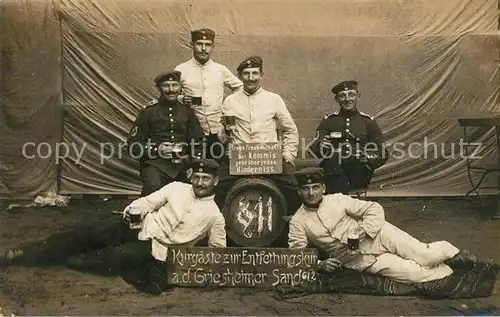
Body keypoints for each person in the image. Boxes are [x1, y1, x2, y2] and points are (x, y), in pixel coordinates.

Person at [0, 159, 226, 295]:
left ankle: (61, 258)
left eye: (206, 179)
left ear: (215, 181)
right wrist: (132, 211)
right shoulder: (176, 187)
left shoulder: (215, 216)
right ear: (191, 176)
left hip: (155, 249)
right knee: (85, 234)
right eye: (197, 177)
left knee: (106, 259)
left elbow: (218, 251)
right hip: (138, 226)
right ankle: (21, 253)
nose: (200, 183)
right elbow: (148, 201)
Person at [288, 167, 478, 284]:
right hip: (359, 260)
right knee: (414, 274)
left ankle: (449, 252)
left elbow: (374, 209)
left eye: (315, 187)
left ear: (323, 188)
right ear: (299, 191)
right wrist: (321, 264)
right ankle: (451, 270)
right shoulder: (299, 221)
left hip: (380, 234)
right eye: (305, 188)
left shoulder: (337, 200)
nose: (311, 193)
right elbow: (297, 255)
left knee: (425, 255)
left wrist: (362, 232)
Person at [215, 55, 301, 216]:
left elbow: (290, 130)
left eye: (255, 73)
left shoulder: (273, 99)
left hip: (268, 158)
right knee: (217, 187)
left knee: (293, 187)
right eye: (246, 74)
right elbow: (222, 137)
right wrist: (225, 132)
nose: (251, 78)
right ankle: (221, 228)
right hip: (239, 158)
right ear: (240, 76)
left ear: (262, 75)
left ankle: (291, 228)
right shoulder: (230, 101)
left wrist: (287, 155)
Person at [127, 70, 205, 196]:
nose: (171, 90)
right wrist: (158, 149)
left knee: (194, 193)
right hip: (155, 165)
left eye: (175, 85)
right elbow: (133, 145)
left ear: (180, 87)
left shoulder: (187, 111)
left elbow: (199, 141)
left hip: (182, 165)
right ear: (159, 88)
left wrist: (194, 165)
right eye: (166, 86)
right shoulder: (148, 112)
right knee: (154, 187)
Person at [308, 80, 388, 194]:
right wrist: (323, 146)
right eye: (342, 96)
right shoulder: (329, 120)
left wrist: (368, 159)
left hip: (358, 172)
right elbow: (314, 148)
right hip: (332, 171)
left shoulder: (368, 122)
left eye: (351, 95)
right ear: (336, 99)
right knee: (333, 170)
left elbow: (383, 152)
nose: (347, 99)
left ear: (358, 97)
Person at [175, 28, 243, 159]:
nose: (203, 48)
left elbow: (240, 88)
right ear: (191, 44)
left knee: (218, 166)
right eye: (199, 44)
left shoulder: (220, 69)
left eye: (207, 45)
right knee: (193, 167)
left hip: (217, 130)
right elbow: (169, 94)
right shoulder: (181, 69)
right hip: (191, 130)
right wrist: (181, 99)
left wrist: (228, 107)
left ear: (213, 46)